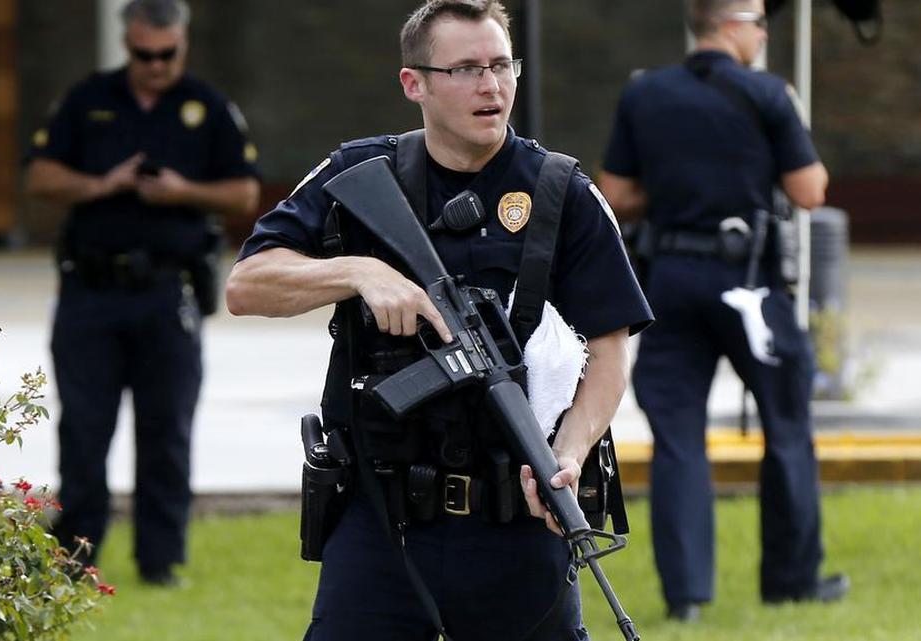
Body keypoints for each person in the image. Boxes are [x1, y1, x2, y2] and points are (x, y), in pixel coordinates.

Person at [226, 1, 651, 638]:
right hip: (382, 523)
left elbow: (610, 352)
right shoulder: (358, 175)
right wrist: (358, 273)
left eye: (503, 65)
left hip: (517, 518)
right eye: (466, 69)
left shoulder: (563, 193)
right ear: (413, 83)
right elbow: (246, 284)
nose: (491, 85)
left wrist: (566, 454)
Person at [598, 0, 848, 622]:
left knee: (678, 439)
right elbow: (810, 190)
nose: (764, 35)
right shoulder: (767, 93)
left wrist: (679, 184)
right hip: (750, 287)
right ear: (734, 25)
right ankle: (792, 582)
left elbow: (617, 194)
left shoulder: (644, 94)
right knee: (787, 427)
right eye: (761, 23)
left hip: (673, 281)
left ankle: (685, 600)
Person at [23, 0, 260, 586]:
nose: (154, 65)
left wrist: (182, 192)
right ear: (127, 44)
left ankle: (160, 563)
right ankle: (74, 561)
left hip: (167, 292)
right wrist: (104, 184)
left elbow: (243, 194)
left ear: (182, 43)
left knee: (166, 433)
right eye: (142, 54)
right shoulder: (88, 100)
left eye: (166, 54)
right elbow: (39, 177)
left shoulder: (207, 108)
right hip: (91, 292)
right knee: (83, 431)